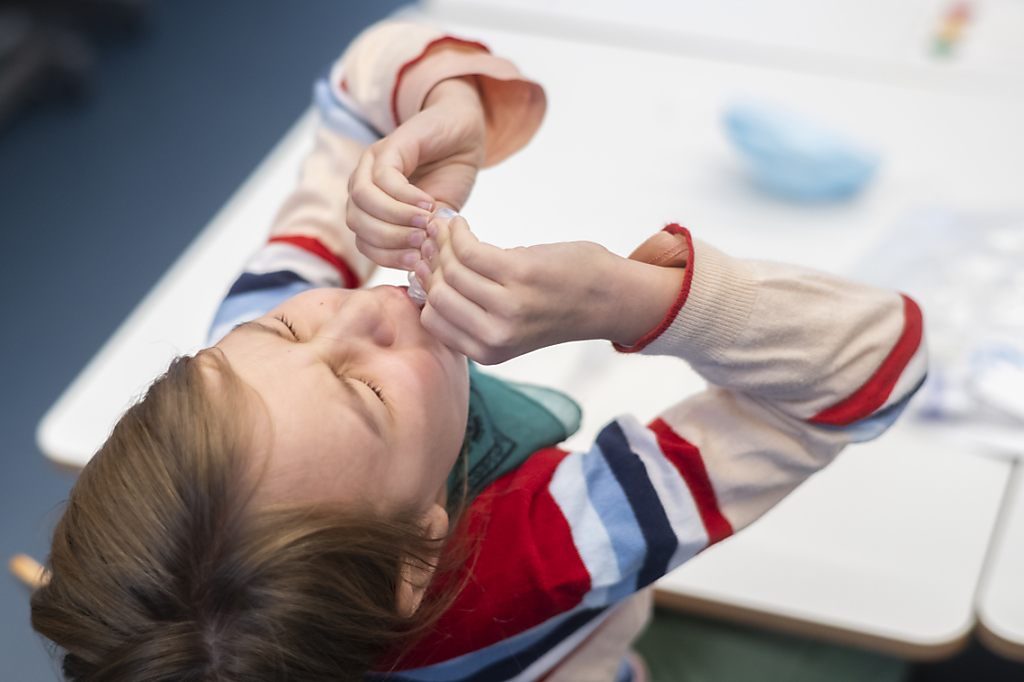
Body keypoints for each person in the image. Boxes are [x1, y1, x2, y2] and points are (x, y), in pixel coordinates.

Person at [30, 19, 927, 682]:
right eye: (366, 391)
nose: (359, 306)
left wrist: (441, 106)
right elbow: (875, 365)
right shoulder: (556, 546)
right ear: (420, 552)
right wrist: (636, 300)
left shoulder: (251, 349)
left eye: (287, 329)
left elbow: (352, 88)